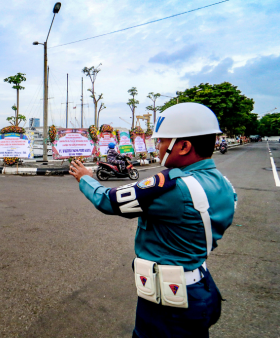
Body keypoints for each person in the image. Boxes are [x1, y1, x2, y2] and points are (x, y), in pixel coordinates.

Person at [69, 102, 237, 338]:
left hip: (170, 304)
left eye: (162, 141)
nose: (157, 146)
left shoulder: (173, 186)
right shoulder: (223, 184)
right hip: (202, 288)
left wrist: (86, 179)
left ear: (184, 146)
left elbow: (109, 201)